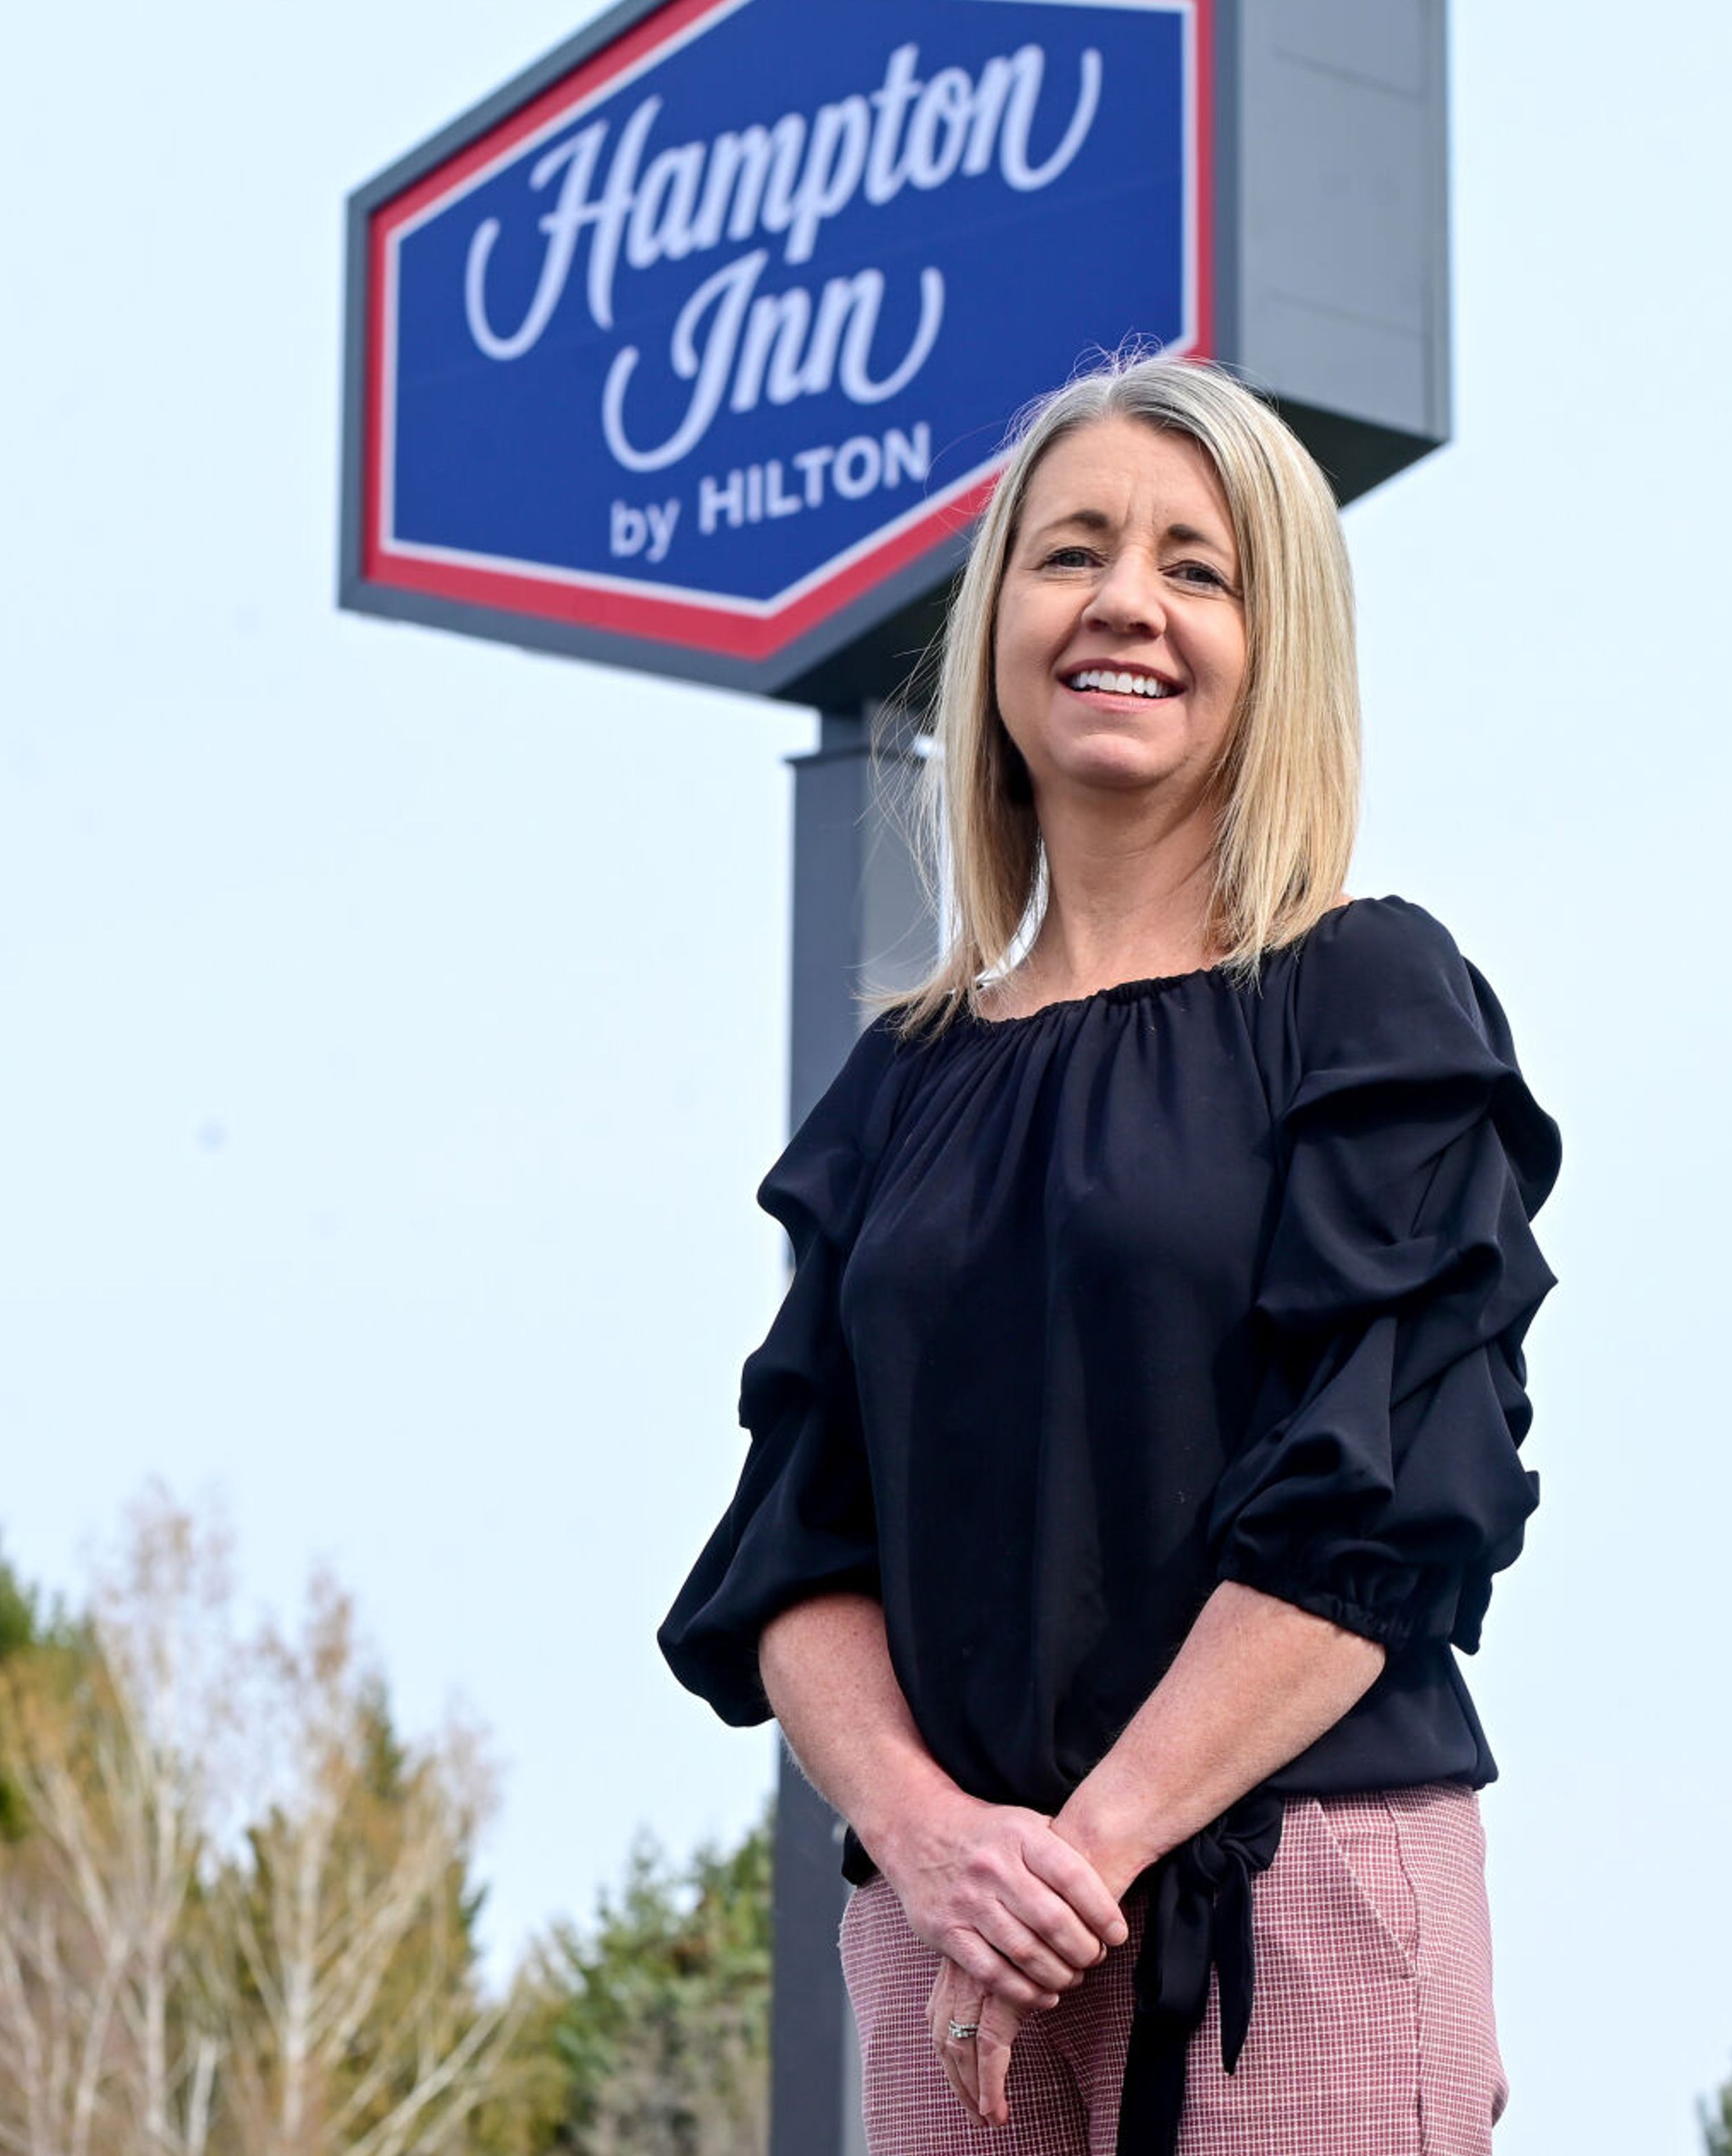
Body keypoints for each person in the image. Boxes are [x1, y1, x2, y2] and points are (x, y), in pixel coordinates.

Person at [657, 355, 1559, 2156]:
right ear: (999, 621)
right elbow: (799, 1549)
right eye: (1070, 554)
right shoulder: (904, 1080)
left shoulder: (1364, 1000)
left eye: (1195, 568)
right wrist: (930, 1846)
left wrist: (1086, 1851)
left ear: (1271, 641)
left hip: (1284, 1893)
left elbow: (1371, 1513)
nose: (1123, 602)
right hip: (955, 1930)